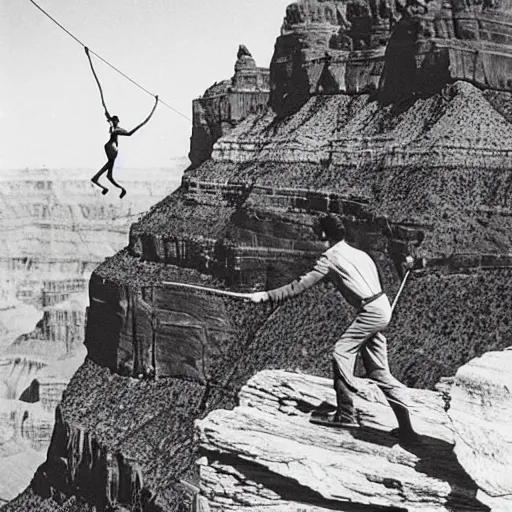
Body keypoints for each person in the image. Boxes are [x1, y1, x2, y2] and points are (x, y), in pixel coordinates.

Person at [249, 214, 419, 444]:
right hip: (381, 306)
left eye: (316, 232)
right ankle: (407, 429)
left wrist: (266, 296)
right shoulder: (360, 253)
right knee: (379, 372)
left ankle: (345, 414)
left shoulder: (329, 258)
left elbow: (299, 285)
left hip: (371, 311)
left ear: (322, 235)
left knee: (341, 351)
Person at [90, 98, 158, 198]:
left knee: (109, 175)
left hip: (111, 150)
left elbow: (128, 132)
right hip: (111, 149)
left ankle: (112, 188)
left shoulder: (115, 128)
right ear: (115, 121)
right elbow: (106, 109)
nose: (116, 122)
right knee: (108, 174)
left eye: (116, 121)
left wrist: (145, 120)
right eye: (115, 121)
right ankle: (117, 189)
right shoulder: (115, 128)